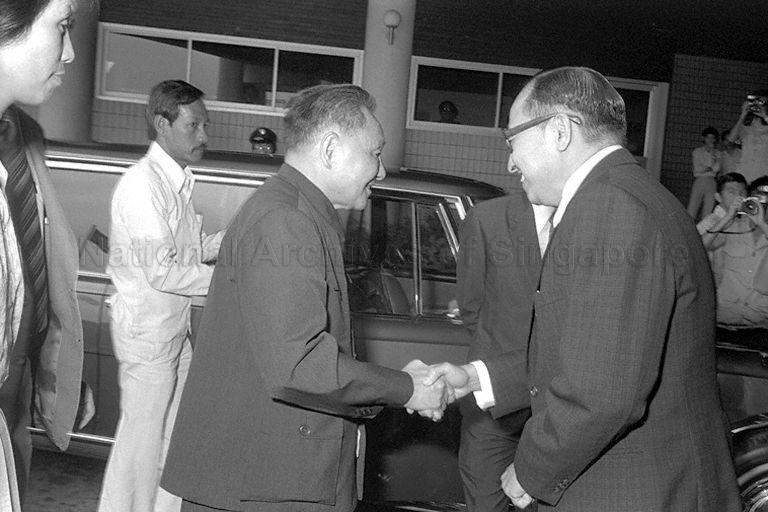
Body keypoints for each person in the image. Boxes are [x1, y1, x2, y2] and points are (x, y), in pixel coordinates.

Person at [426, 66, 740, 511]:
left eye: (512, 139)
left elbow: (602, 392)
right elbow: (589, 353)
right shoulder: (626, 195)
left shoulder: (611, 208)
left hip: (634, 490)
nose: (509, 162)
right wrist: (476, 377)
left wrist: (532, 470)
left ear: (558, 131)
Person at [160, 84, 452, 512]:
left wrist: (395, 385)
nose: (382, 170)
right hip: (264, 486)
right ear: (331, 149)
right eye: (374, 153)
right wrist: (406, 389)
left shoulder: (297, 212)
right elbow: (297, 364)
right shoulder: (287, 220)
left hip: (267, 476)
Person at [98, 80, 225, 512]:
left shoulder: (176, 182)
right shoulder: (143, 186)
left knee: (173, 438)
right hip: (149, 335)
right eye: (194, 126)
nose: (204, 136)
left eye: (206, 125)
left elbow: (185, 250)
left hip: (174, 329)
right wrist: (228, 280)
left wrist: (231, 242)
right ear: (162, 123)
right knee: (140, 447)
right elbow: (163, 270)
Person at [0, 0, 96, 504]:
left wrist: (52, 367)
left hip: (13, 386)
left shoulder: (22, 138)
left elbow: (34, 271)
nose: (73, 52)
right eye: (62, 27)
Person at [456, 189, 553, 512]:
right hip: (492, 413)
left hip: (560, 416)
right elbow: (472, 308)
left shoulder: (591, 221)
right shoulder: (487, 219)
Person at [700, 174, 768, 329]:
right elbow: (698, 250)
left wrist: (762, 224)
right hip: (724, 317)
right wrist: (727, 218)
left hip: (760, 322)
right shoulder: (732, 227)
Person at [728, 89, 768, 184]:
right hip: (744, 172)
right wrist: (742, 116)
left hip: (763, 174)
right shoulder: (746, 128)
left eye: (761, 103)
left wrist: (765, 116)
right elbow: (731, 139)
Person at [686, 126, 721, 221]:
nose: (710, 140)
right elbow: (697, 168)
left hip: (711, 181)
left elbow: (716, 169)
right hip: (700, 180)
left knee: (708, 209)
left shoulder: (717, 153)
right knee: (693, 207)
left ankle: (704, 231)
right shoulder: (697, 151)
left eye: (712, 138)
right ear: (703, 138)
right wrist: (709, 167)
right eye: (708, 137)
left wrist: (711, 156)